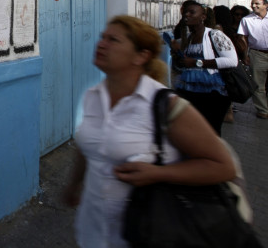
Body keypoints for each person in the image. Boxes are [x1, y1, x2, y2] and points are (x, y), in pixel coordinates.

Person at [63, 15, 236, 248]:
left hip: (149, 232)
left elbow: (222, 166)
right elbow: (91, 144)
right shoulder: (93, 96)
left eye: (113, 40)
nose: (101, 44)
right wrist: (74, 185)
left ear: (140, 56)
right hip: (93, 231)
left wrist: (158, 173)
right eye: (102, 37)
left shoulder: (165, 106)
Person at [170, 2, 237, 135]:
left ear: (203, 17)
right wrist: (177, 55)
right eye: (185, 13)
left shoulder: (215, 35)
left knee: (211, 130)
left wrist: (197, 62)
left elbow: (232, 61)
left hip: (212, 92)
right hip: (189, 90)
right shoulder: (188, 38)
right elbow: (183, 65)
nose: (186, 15)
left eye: (191, 12)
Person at [237, 0, 268, 118]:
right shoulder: (246, 20)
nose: (254, 6)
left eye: (257, 4)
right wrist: (245, 55)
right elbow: (242, 38)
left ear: (265, 5)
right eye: (252, 4)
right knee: (258, 85)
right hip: (257, 54)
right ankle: (263, 110)